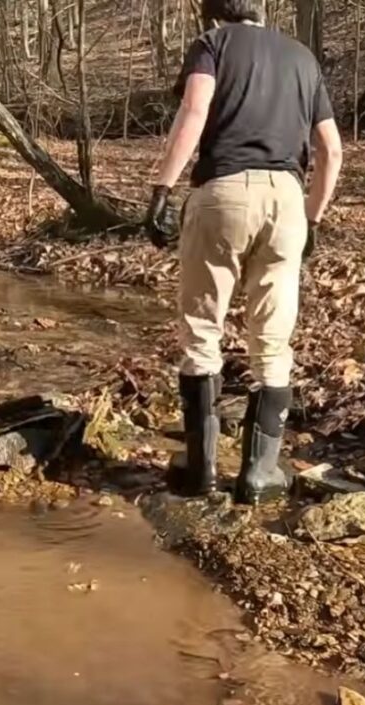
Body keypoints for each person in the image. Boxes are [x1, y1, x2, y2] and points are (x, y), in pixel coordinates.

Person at [145, 0, 343, 505]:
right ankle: (259, 474)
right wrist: (313, 218)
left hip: (224, 192)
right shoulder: (302, 57)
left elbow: (195, 109)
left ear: (213, 14)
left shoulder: (213, 44)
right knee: (273, 341)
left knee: (202, 330)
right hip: (287, 199)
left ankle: (201, 470)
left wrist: (162, 190)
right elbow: (331, 150)